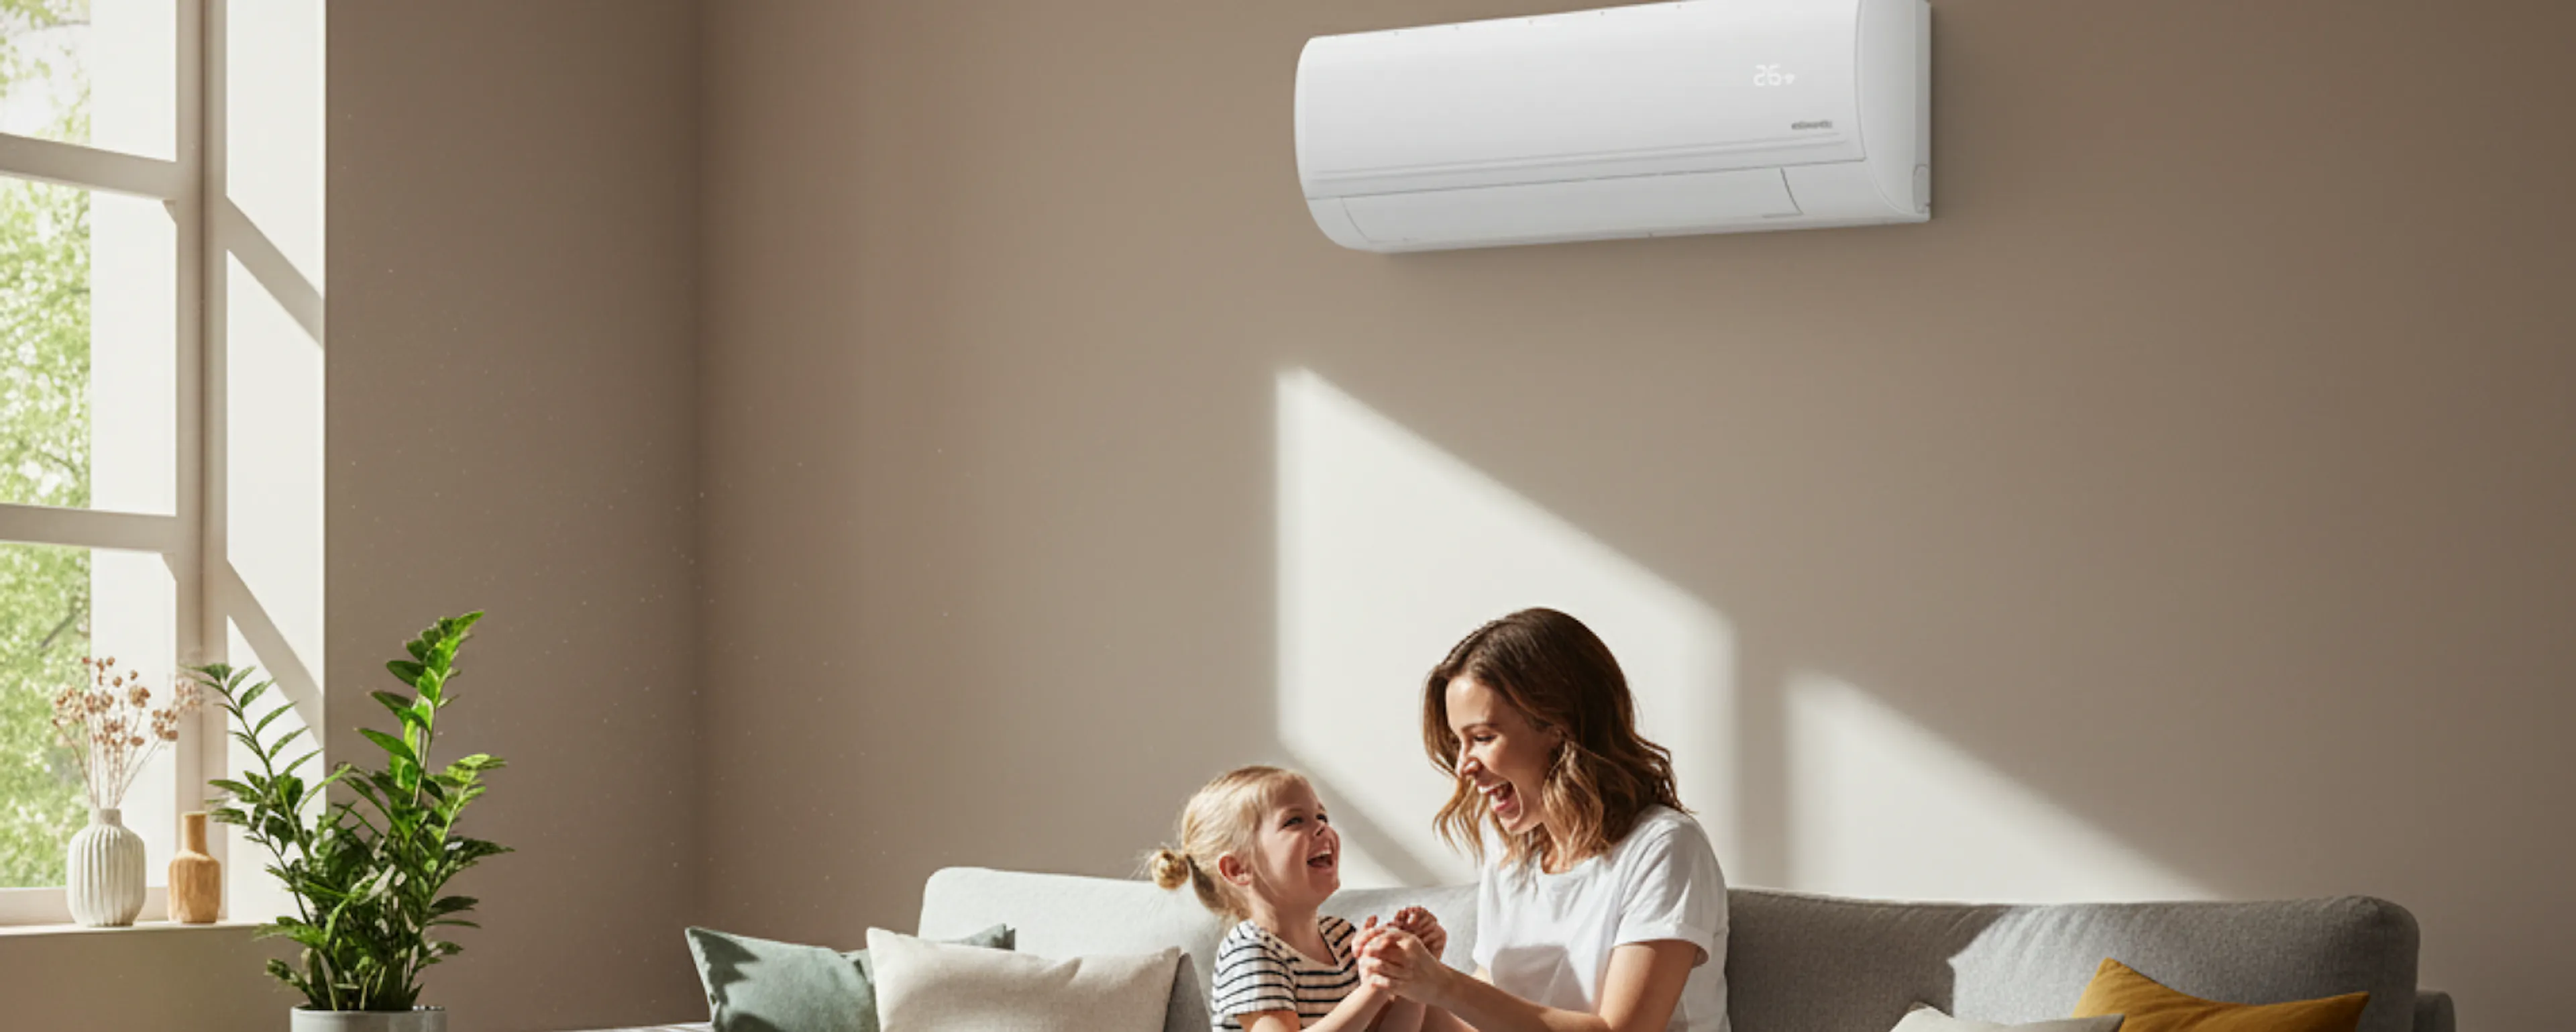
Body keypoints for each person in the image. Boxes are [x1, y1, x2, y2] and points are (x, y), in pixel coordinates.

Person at [1358, 609, 1730, 1032]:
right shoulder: (1513, 856)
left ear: (1558, 726)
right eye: (1457, 742)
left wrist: (1442, 984)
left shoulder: (1664, 847)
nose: (1463, 765)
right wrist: (1408, 982)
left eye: (1482, 738)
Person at [1152, 765, 1451, 1032]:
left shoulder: (1342, 938)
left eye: (1322, 816)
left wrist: (1409, 979)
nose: (1323, 826)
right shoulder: (1250, 952)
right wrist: (1374, 987)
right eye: (1295, 821)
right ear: (1238, 869)